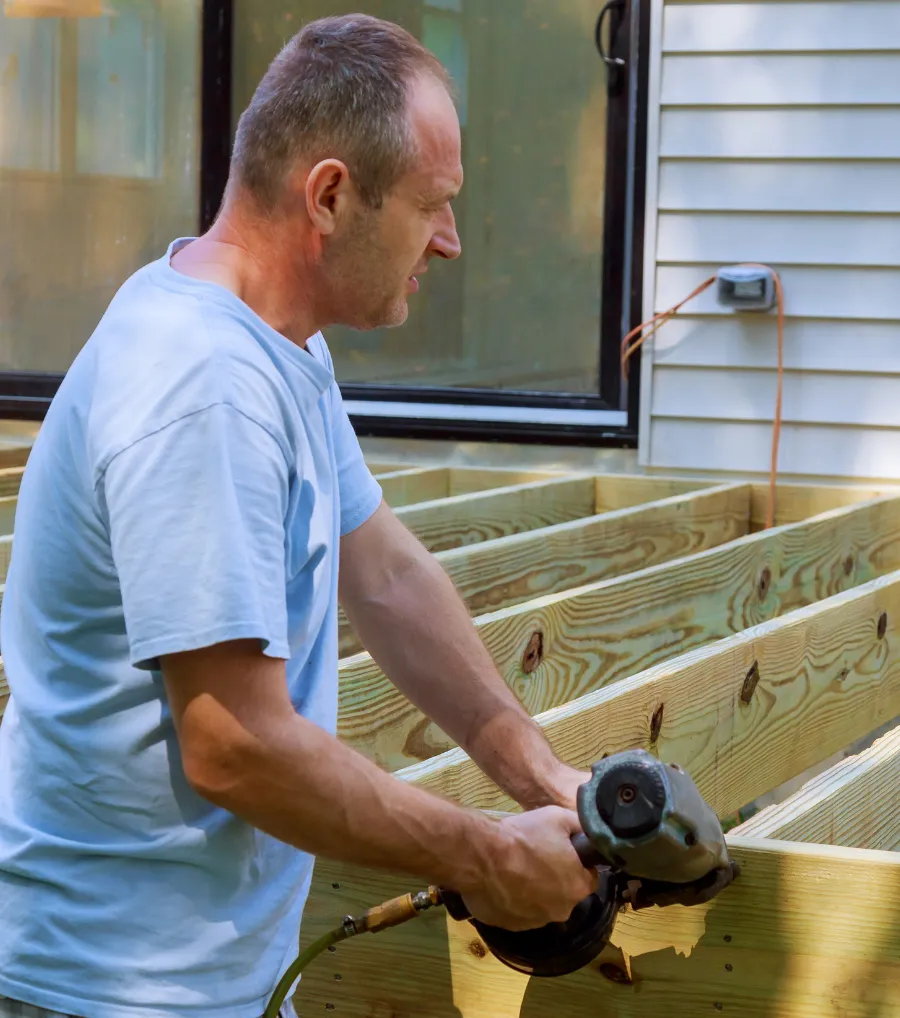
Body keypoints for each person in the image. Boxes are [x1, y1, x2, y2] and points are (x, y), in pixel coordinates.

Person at [0, 14, 597, 1018]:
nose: (450, 240)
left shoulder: (279, 342)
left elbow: (388, 578)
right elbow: (234, 741)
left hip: (199, 977)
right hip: (110, 986)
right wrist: (489, 855)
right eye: (431, 206)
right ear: (329, 195)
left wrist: (543, 776)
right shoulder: (202, 384)